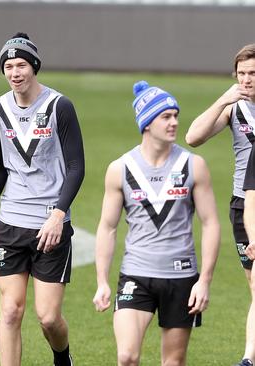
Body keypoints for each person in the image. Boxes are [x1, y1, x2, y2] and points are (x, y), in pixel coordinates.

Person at [0, 32, 84, 366]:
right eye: (8, 66)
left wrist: (58, 214)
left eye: (21, 64)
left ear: (35, 66)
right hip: (10, 223)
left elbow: (77, 165)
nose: (14, 72)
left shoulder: (58, 106)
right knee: (10, 311)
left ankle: (62, 356)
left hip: (50, 226)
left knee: (48, 318)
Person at [93, 81, 220, 365]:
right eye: (166, 116)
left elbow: (210, 223)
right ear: (147, 123)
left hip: (181, 276)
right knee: (126, 356)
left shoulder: (193, 165)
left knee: (173, 362)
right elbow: (107, 227)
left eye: (175, 115)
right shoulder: (120, 169)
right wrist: (102, 281)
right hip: (136, 274)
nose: (174, 122)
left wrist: (205, 281)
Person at [184, 43, 255, 366]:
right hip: (245, 205)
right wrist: (223, 100)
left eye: (253, 73)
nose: (247, 80)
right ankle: (249, 358)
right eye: (241, 74)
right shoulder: (234, 108)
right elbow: (193, 137)